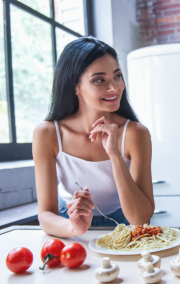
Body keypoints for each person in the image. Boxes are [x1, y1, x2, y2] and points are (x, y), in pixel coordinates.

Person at [33, 37, 154, 237]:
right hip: (66, 224)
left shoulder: (135, 133)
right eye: (99, 80)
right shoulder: (47, 134)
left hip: (123, 224)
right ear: (74, 86)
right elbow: (45, 214)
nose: (114, 88)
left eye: (117, 76)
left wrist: (114, 154)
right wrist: (73, 227)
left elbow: (141, 219)